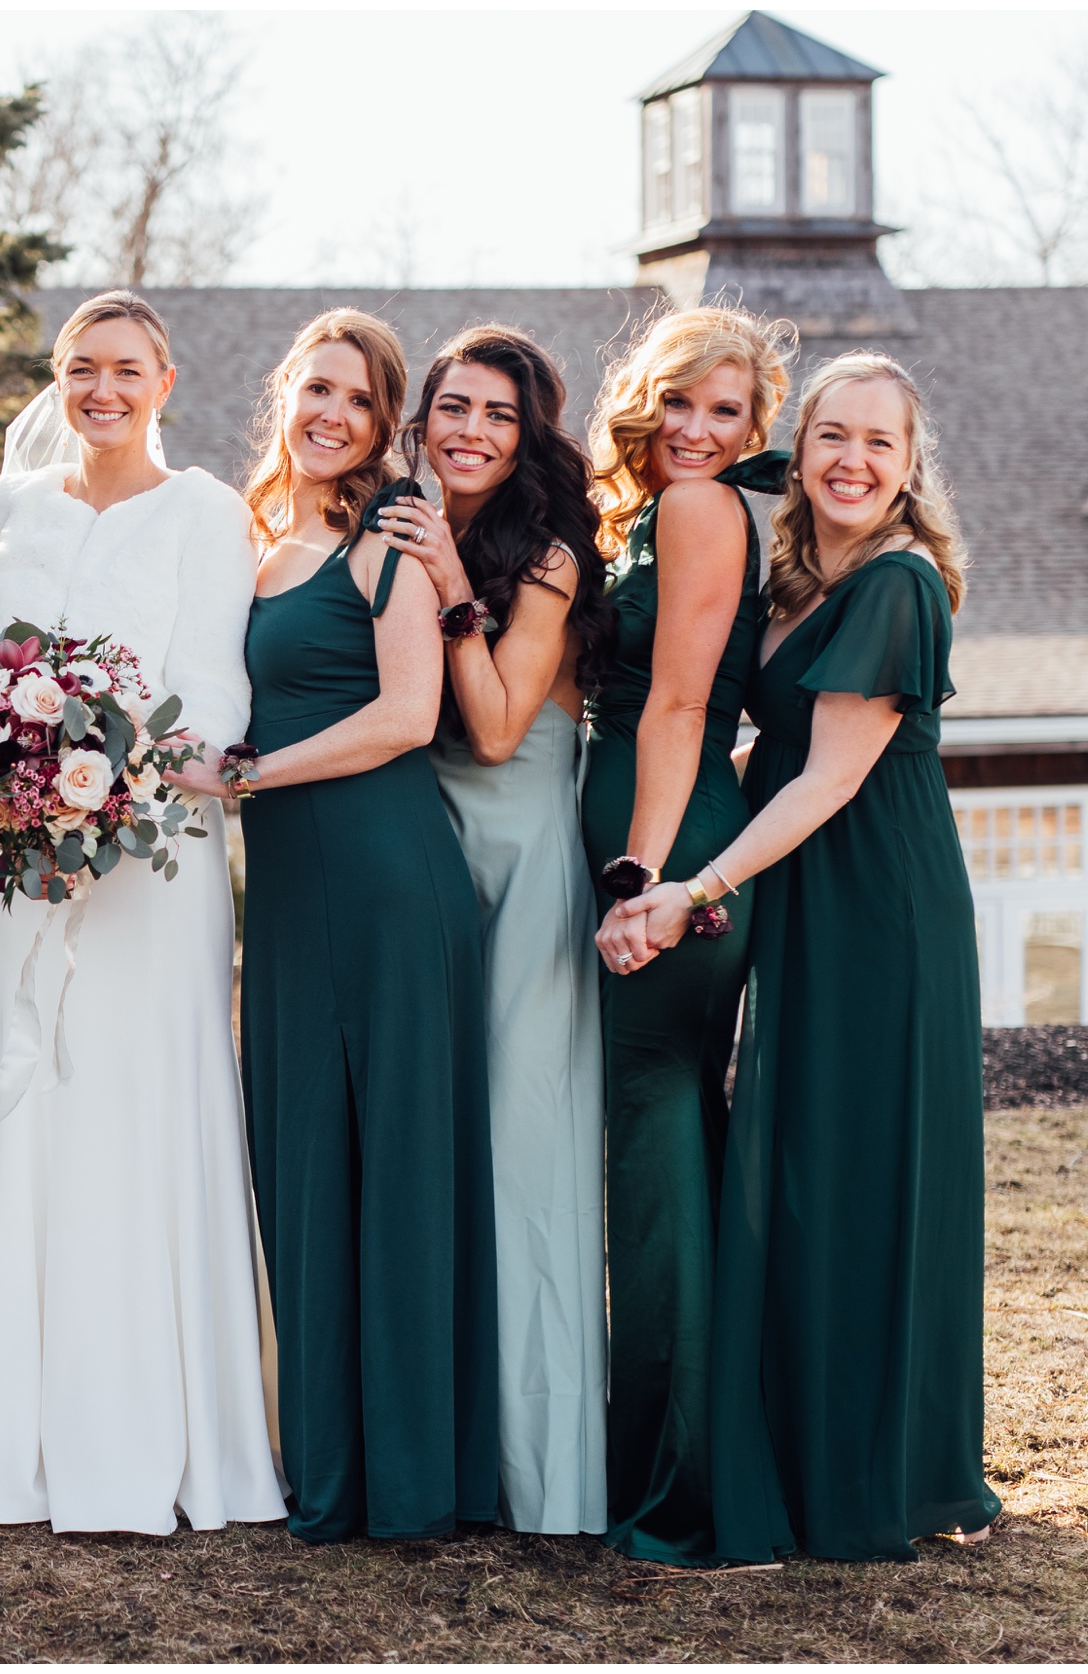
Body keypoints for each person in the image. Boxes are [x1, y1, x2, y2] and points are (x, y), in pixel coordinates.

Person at [602, 353, 1002, 1561]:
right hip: (802, 891)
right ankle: (798, 1440)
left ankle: (869, 1473)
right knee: (797, 1168)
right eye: (833, 435)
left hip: (878, 909)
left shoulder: (895, 583)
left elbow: (828, 778)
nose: (851, 461)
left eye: (880, 443)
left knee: (856, 1173)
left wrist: (691, 887)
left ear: (910, 466)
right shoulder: (795, 576)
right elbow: (769, 755)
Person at [0, 290, 287, 1537]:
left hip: (158, 858)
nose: (101, 390)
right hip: (28, 856)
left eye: (125, 369)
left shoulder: (207, 511)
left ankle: (178, 1437)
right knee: (50, 1097)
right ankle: (39, 1447)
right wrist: (19, 784)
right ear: (59, 377)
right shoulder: (6, 508)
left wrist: (111, 786)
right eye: (80, 367)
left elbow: (215, 687)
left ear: (164, 381)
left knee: (152, 1099)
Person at [232, 308, 496, 1542]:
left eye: (357, 399)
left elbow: (404, 716)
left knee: (394, 1168)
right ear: (285, 393)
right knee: (305, 1161)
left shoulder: (387, 540)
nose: (330, 415)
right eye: (316, 389)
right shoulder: (253, 543)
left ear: (384, 424)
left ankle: (410, 1473)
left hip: (388, 883)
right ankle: (324, 1461)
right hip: (291, 894)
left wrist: (248, 774)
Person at [375, 324, 613, 1538]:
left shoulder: (550, 555)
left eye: (498, 415)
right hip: (420, 852)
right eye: (454, 408)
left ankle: (543, 1470)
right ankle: (440, 1439)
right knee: (436, 1148)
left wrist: (451, 590)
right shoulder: (390, 525)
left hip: (522, 861)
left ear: (527, 438)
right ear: (421, 422)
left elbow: (499, 725)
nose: (471, 431)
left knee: (524, 1149)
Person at [577, 305, 793, 1565]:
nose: (699, 431)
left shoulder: (702, 510)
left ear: (753, 429)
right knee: (668, 1139)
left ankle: (680, 1486)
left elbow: (675, 705)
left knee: (653, 1142)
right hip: (662, 819)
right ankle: (693, 1455)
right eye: (680, 403)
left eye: (727, 412)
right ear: (643, 400)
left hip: (666, 837)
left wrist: (641, 879)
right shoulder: (652, 512)